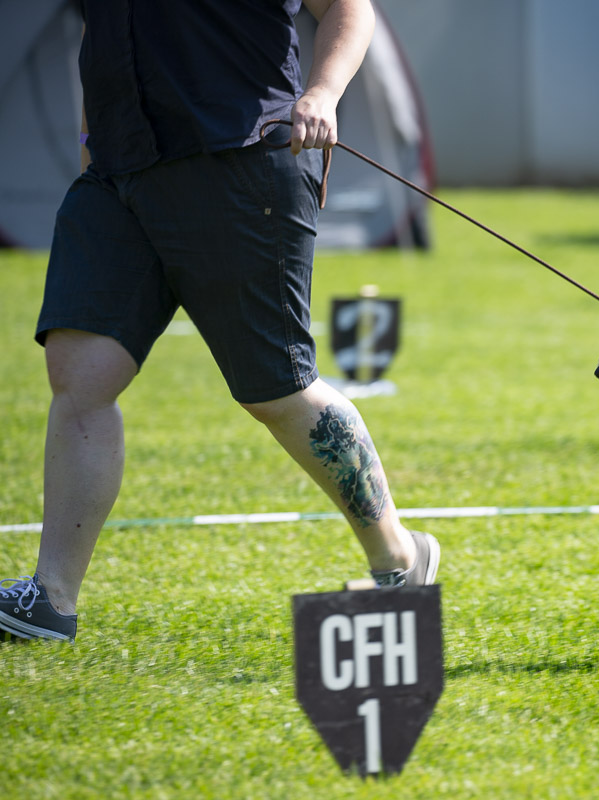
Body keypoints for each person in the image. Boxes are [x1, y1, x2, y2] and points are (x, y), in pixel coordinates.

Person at [0, 0, 438, 643]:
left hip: (242, 160)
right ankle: (51, 600)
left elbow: (348, 8)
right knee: (81, 374)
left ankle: (400, 555)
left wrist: (322, 92)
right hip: (117, 174)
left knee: (277, 385)